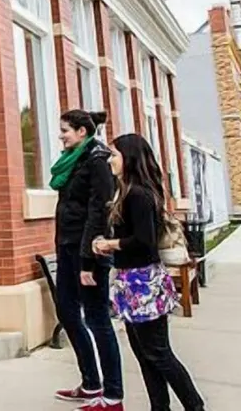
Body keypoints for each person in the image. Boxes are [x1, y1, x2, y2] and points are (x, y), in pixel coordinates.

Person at [94, 134, 205, 411]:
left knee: (158, 353)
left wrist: (110, 243)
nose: (110, 161)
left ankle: (195, 406)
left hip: (143, 282)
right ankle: (160, 407)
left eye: (114, 155)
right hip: (131, 282)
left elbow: (144, 240)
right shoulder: (128, 191)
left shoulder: (139, 195)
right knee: (144, 354)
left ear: (129, 158)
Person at [51, 109, 124, 409]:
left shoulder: (97, 160)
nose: (61, 135)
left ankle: (113, 396)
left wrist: (87, 262)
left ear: (82, 132)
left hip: (88, 251)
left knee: (97, 319)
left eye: (65, 130)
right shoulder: (74, 159)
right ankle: (91, 384)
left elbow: (99, 212)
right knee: (67, 312)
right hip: (67, 245)